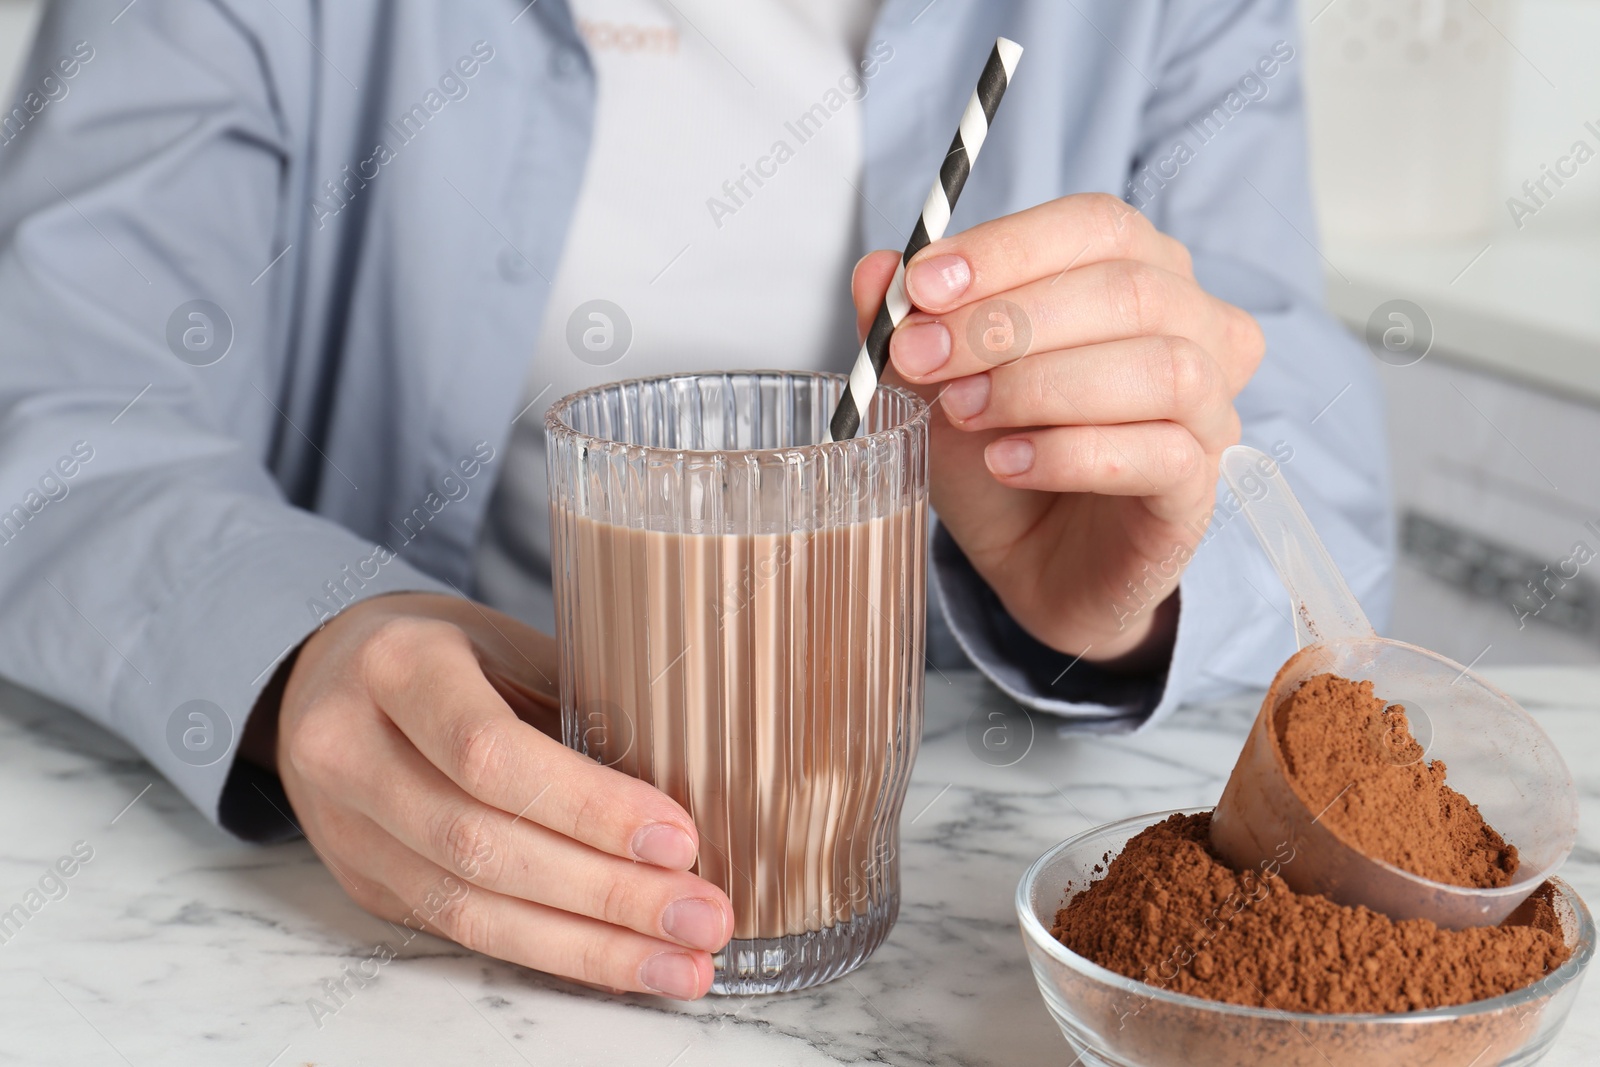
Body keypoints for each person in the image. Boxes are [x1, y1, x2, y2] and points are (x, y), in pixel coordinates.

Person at [0, 0, 1389, 1001]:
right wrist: (311, 645)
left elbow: (1318, 473)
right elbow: (58, 406)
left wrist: (1117, 591)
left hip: (887, 916)